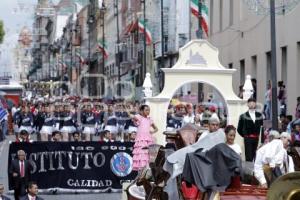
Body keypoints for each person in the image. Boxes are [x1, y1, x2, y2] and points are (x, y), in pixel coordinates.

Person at [128, 104, 158, 171]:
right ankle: (141, 170)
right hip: (141, 140)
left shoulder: (150, 119)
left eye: (149, 110)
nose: (148, 111)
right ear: (141, 111)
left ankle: (147, 170)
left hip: (148, 139)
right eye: (146, 110)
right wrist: (129, 111)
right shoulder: (139, 117)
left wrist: (151, 132)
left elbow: (156, 129)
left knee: (147, 155)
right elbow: (131, 116)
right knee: (141, 154)